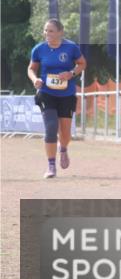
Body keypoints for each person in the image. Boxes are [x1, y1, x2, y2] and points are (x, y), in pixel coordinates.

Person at [26, 18, 86, 178]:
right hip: (46, 93)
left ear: (60, 32)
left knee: (65, 133)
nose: (47, 33)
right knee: (51, 127)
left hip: (66, 94)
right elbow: (31, 68)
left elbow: (82, 63)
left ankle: (63, 149)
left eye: (51, 31)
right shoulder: (39, 49)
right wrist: (35, 80)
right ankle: (51, 165)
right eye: (45, 30)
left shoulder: (71, 47)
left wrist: (71, 73)